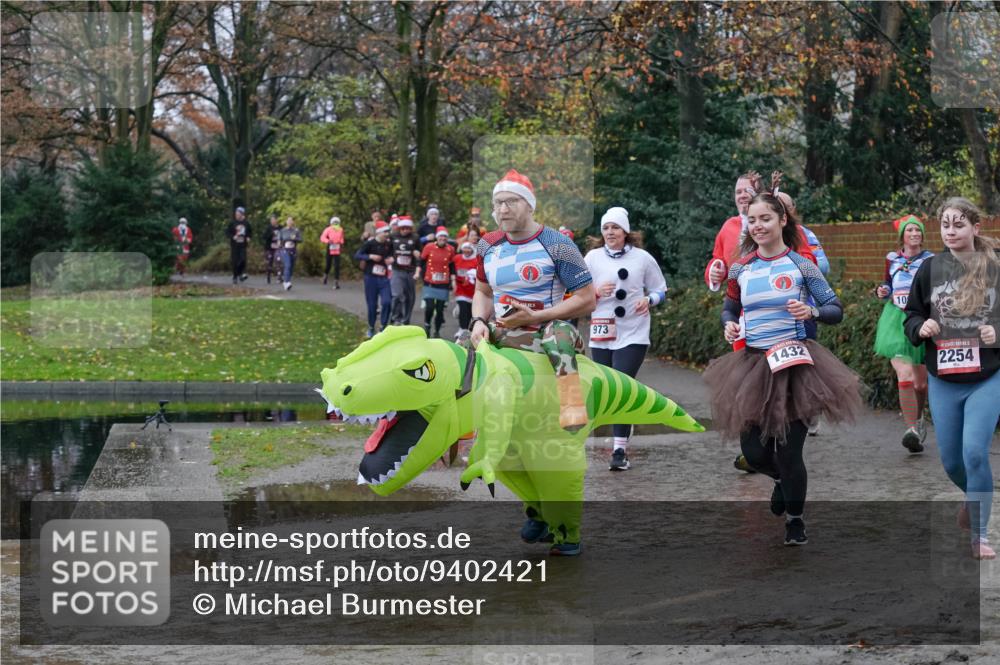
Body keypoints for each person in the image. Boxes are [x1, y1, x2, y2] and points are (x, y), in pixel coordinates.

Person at [702, 173, 862, 546]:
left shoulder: (802, 266)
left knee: (790, 452)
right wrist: (729, 326)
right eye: (753, 220)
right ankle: (778, 479)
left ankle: (795, 519)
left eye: (766, 219)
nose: (758, 226)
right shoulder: (742, 268)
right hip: (751, 366)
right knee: (754, 452)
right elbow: (729, 308)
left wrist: (811, 312)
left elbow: (834, 308)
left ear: (782, 221)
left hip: (795, 367)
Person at [903, 197, 1000, 560]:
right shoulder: (929, 269)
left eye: (959, 224)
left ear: (975, 227)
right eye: (946, 225)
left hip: (987, 377)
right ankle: (973, 495)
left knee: (975, 454)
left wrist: (997, 333)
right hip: (944, 377)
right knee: (953, 463)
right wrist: (921, 326)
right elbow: (911, 314)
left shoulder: (994, 267)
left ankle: (979, 534)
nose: (951, 231)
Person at [469, 169, 597, 434]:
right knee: (461, 348)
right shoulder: (487, 245)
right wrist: (479, 321)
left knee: (557, 336)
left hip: (549, 330)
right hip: (503, 329)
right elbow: (481, 292)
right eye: (498, 203)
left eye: (511, 201)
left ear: (529, 205)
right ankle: (463, 421)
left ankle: (573, 411)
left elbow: (587, 300)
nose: (503, 209)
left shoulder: (557, 244)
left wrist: (537, 317)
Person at [584, 207, 668, 471]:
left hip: (634, 331)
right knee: (609, 389)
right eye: (606, 228)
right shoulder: (593, 258)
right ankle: (623, 429)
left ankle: (619, 449)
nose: (610, 232)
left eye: (615, 228)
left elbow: (660, 289)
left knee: (621, 386)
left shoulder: (642, 258)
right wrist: (596, 293)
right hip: (602, 332)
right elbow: (578, 293)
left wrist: (649, 299)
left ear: (625, 231)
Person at [874, 214, 934, 452]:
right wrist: (882, 290)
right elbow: (887, 284)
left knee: (920, 384)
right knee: (905, 375)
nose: (914, 234)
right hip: (895, 319)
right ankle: (910, 429)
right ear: (902, 236)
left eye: (917, 231)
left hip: (920, 319)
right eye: (910, 231)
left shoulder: (930, 260)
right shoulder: (892, 259)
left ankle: (918, 420)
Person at [355, 220, 394, 337]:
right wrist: (370, 256)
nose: (387, 234)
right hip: (370, 278)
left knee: (387, 302)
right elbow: (357, 255)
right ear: (378, 233)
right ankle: (371, 327)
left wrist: (391, 259)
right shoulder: (370, 244)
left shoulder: (389, 244)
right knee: (372, 305)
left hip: (384, 278)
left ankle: (383, 327)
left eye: (388, 232)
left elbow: (392, 255)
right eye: (385, 232)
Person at [420, 226, 456, 338]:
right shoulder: (428, 247)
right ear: (437, 237)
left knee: (440, 310)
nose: (443, 238)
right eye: (441, 236)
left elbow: (452, 265)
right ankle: (427, 325)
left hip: (443, 283)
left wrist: (453, 280)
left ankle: (437, 330)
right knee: (430, 307)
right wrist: (422, 276)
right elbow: (421, 261)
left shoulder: (450, 249)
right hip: (430, 281)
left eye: (445, 237)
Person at [390, 215, 420, 325]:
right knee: (397, 294)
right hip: (397, 270)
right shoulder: (393, 236)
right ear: (399, 228)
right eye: (403, 228)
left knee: (409, 296)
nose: (405, 230)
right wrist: (389, 257)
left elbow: (419, 255)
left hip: (410, 271)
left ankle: (406, 319)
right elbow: (388, 249)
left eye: (408, 228)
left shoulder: (415, 238)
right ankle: (396, 318)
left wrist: (417, 256)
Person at [453, 239, 479, 334]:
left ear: (472, 250)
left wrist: (474, 273)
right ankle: (462, 329)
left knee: (469, 311)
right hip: (461, 289)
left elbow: (481, 274)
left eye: (469, 248)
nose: (467, 250)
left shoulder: (476, 260)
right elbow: (451, 268)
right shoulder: (457, 258)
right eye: (465, 248)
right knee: (463, 308)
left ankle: (468, 330)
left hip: (473, 290)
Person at [226, 206, 251, 284]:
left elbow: (250, 232)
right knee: (235, 261)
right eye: (236, 213)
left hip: (243, 244)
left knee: (243, 260)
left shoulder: (246, 223)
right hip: (234, 245)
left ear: (242, 214)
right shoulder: (232, 223)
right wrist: (233, 236)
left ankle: (240, 273)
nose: (237, 214)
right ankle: (235, 276)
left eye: (238, 213)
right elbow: (227, 232)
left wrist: (248, 237)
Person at [278, 216, 303, 290]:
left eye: (291, 221)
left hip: (293, 250)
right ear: (286, 222)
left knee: (291, 267)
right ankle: (286, 282)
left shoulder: (296, 230)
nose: (289, 222)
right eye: (288, 221)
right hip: (285, 250)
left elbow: (300, 240)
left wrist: (295, 239)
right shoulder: (282, 231)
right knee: (287, 265)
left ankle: (286, 279)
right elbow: (279, 239)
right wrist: (280, 243)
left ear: (293, 222)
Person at [319, 216, 344, 289]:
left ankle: (336, 282)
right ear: (331, 223)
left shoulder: (340, 229)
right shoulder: (328, 229)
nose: (335, 224)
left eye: (337, 223)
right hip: (330, 247)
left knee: (337, 265)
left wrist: (340, 242)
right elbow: (322, 237)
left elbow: (342, 238)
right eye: (334, 222)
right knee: (328, 264)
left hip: (337, 247)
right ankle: (325, 276)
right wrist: (328, 241)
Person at [262, 214, 281, 284]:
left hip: (278, 247)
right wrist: (271, 234)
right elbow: (264, 237)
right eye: (271, 220)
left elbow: (283, 236)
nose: (272, 221)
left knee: (278, 260)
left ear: (276, 220)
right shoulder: (268, 228)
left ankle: (279, 276)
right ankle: (268, 276)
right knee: (269, 262)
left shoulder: (280, 228)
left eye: (273, 220)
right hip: (269, 248)